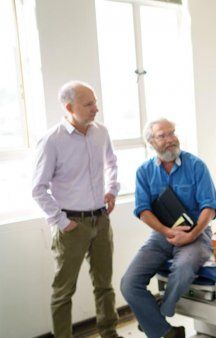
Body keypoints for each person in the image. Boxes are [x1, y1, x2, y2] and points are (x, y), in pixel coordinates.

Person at [32, 81, 121, 338]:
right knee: (63, 291)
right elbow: (38, 188)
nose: (96, 108)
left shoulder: (101, 132)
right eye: (89, 104)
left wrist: (112, 190)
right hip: (71, 224)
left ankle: (109, 332)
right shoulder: (51, 140)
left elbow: (111, 163)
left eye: (95, 101)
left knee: (104, 285)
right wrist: (61, 221)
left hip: (101, 220)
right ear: (69, 107)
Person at [120, 118, 216, 338]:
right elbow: (143, 210)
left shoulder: (196, 166)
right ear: (151, 142)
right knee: (128, 284)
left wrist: (191, 234)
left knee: (184, 267)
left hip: (197, 234)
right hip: (161, 235)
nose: (170, 139)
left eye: (172, 133)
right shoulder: (144, 172)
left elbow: (209, 207)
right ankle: (165, 331)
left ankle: (157, 313)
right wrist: (167, 232)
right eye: (162, 136)